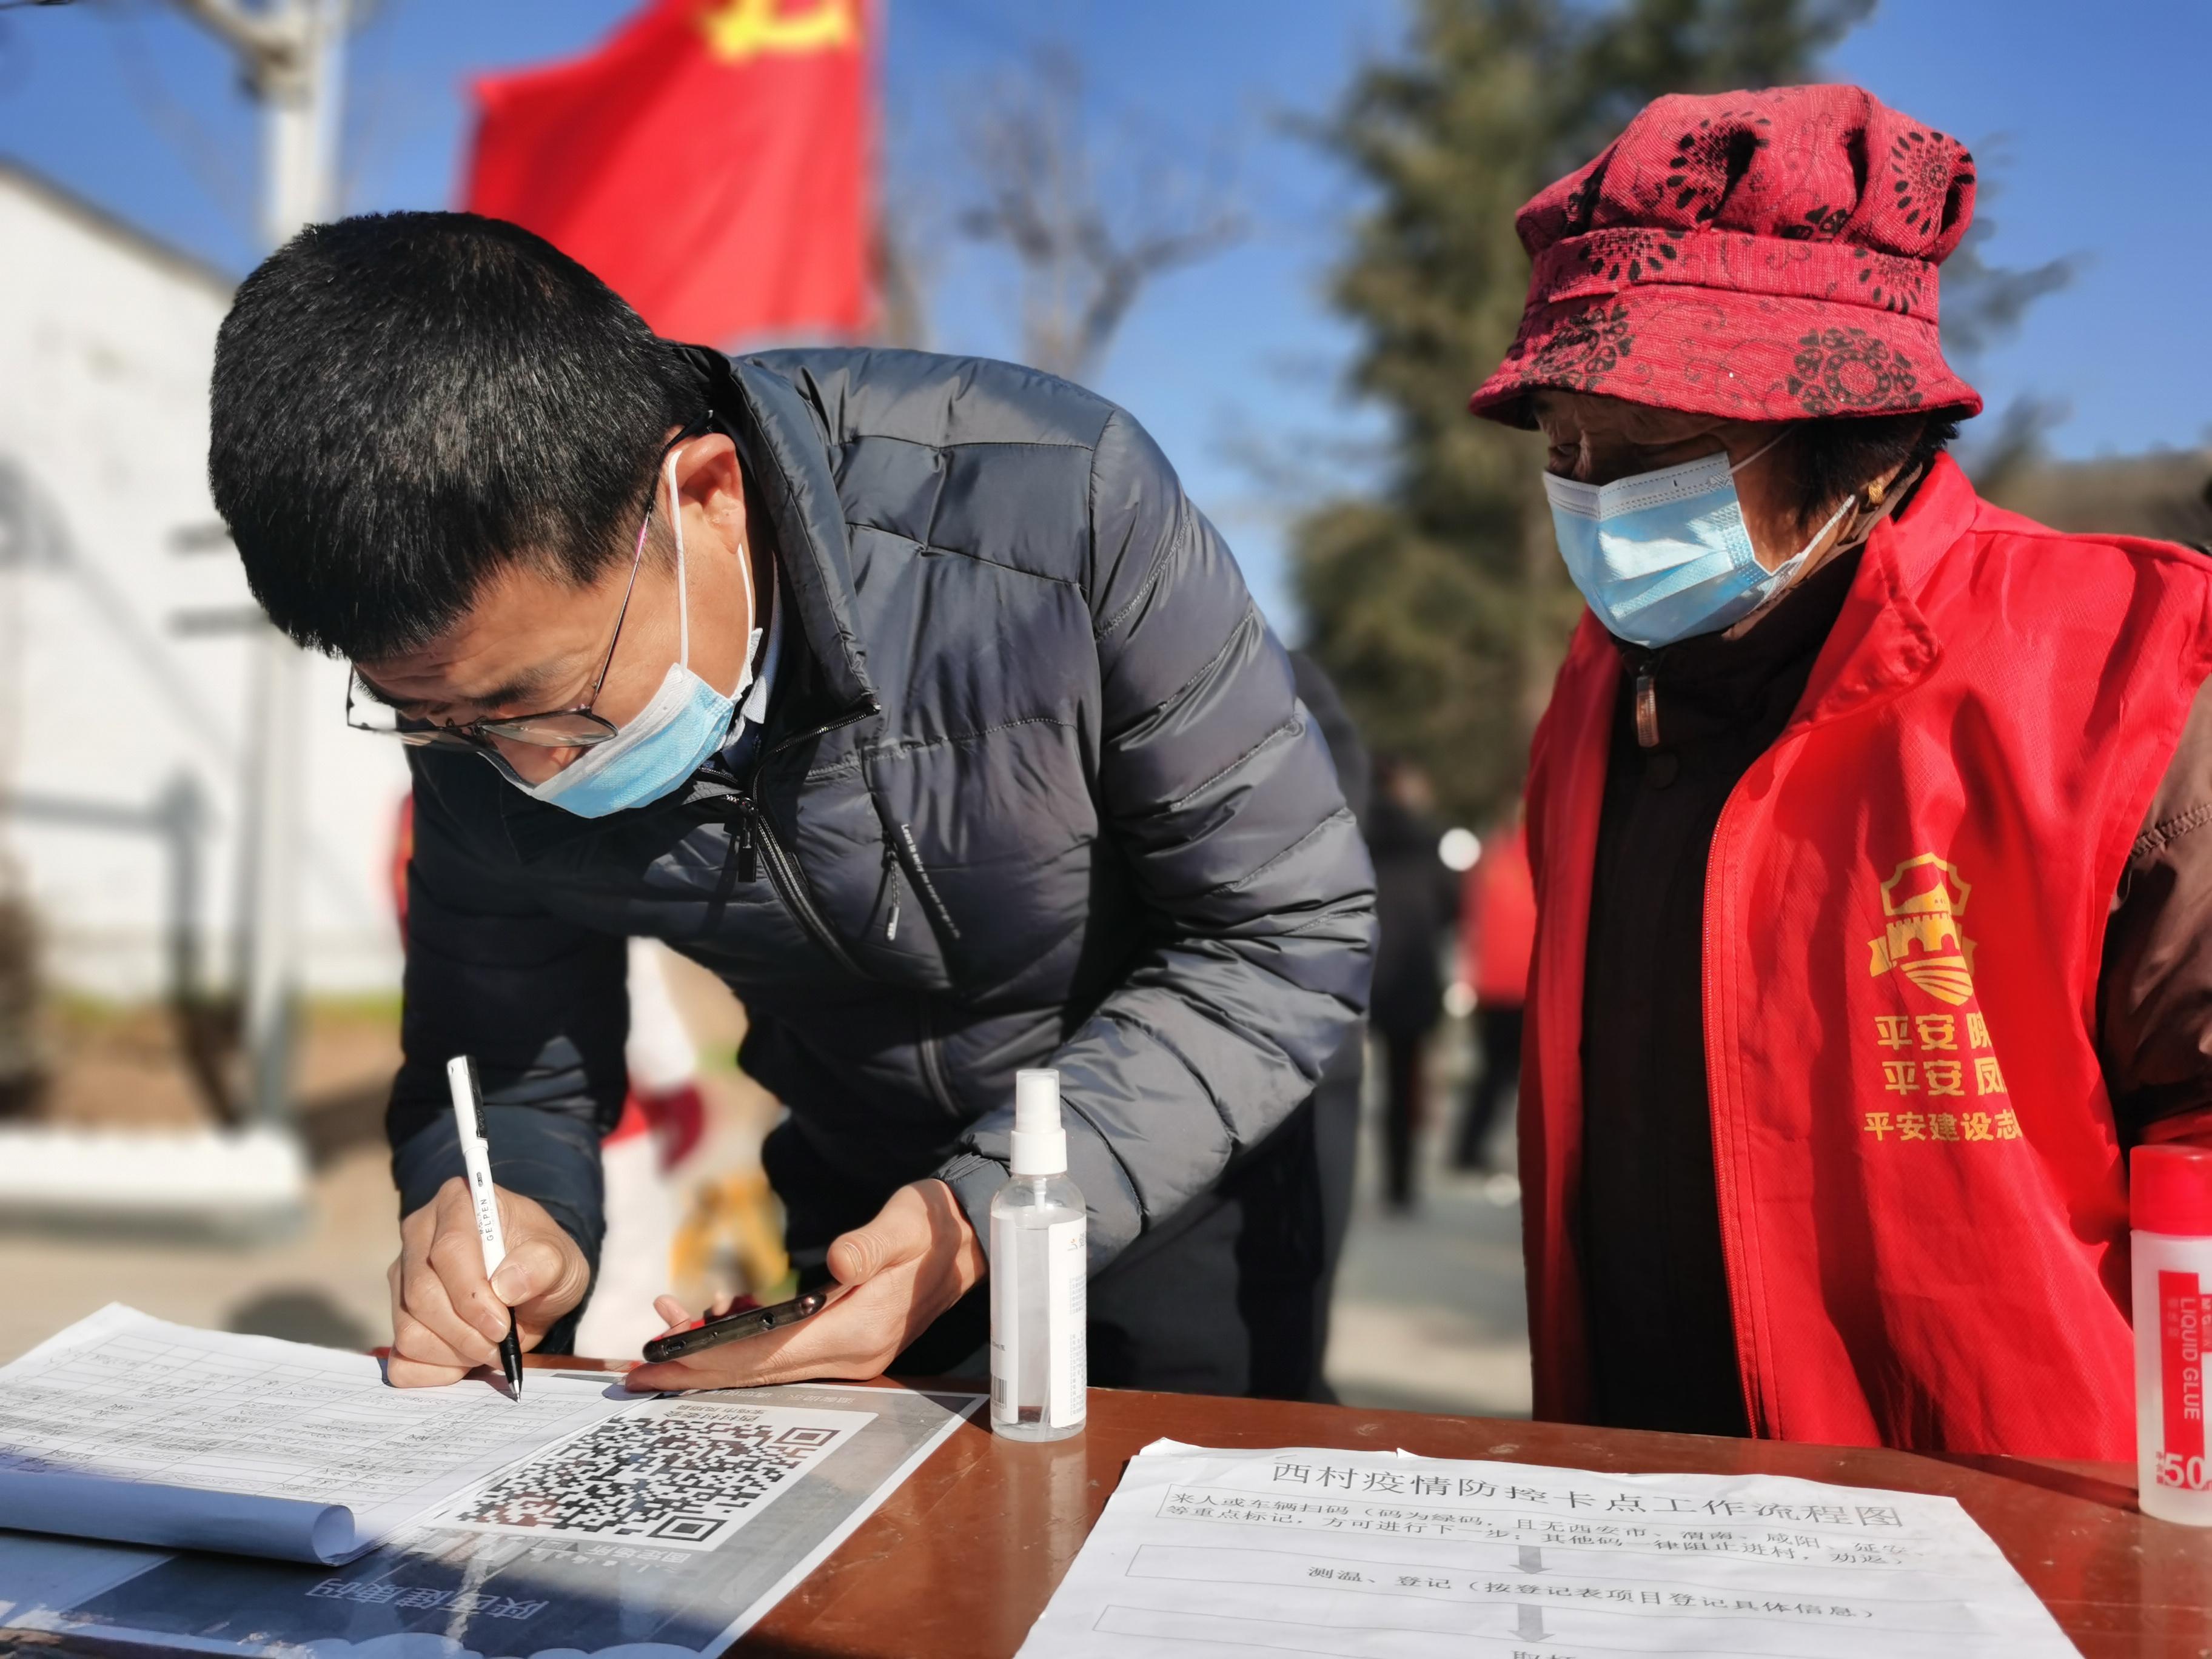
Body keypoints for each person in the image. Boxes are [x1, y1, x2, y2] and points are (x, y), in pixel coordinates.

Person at [208, 212, 1375, 1397]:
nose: (525, 774)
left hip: (1178, 1126)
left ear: (705, 499)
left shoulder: (1060, 509)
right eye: (435, 721)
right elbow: (506, 1058)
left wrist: (984, 1215)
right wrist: (509, 1216)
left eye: (548, 708)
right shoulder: (472, 701)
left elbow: (1279, 936)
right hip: (858, 1159)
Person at [1471, 84, 2212, 1459]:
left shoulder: (2132, 672)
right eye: (1564, 452)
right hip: (1634, 1492)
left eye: (1645, 456)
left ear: (1852, 447)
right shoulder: (1595, 689)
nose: (1590, 500)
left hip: (2016, 1543)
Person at [1364, 757, 1459, 1212]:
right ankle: (1399, 1185)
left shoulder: (1357, 837)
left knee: (1343, 1081)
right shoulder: (1428, 841)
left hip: (1360, 973)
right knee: (1405, 1085)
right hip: (1412, 975)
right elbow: (1453, 906)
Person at [1449, 813, 1532, 1174]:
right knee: (1520, 1079)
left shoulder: (1491, 857)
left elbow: (1472, 920)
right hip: (1524, 984)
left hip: (1492, 985)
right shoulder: (1542, 855)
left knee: (1492, 1075)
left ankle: (1468, 1146)